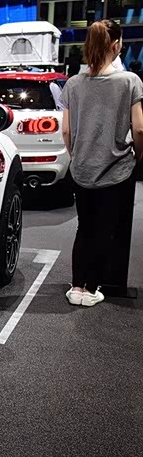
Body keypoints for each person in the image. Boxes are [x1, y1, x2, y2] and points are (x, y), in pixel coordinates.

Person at [61, 20, 143, 307]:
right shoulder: (130, 81)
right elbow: (139, 128)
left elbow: (66, 130)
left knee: (84, 228)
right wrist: (138, 155)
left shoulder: (73, 83)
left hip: (82, 168)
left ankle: (76, 287)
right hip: (116, 169)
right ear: (116, 45)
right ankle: (92, 289)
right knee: (104, 230)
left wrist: (77, 155)